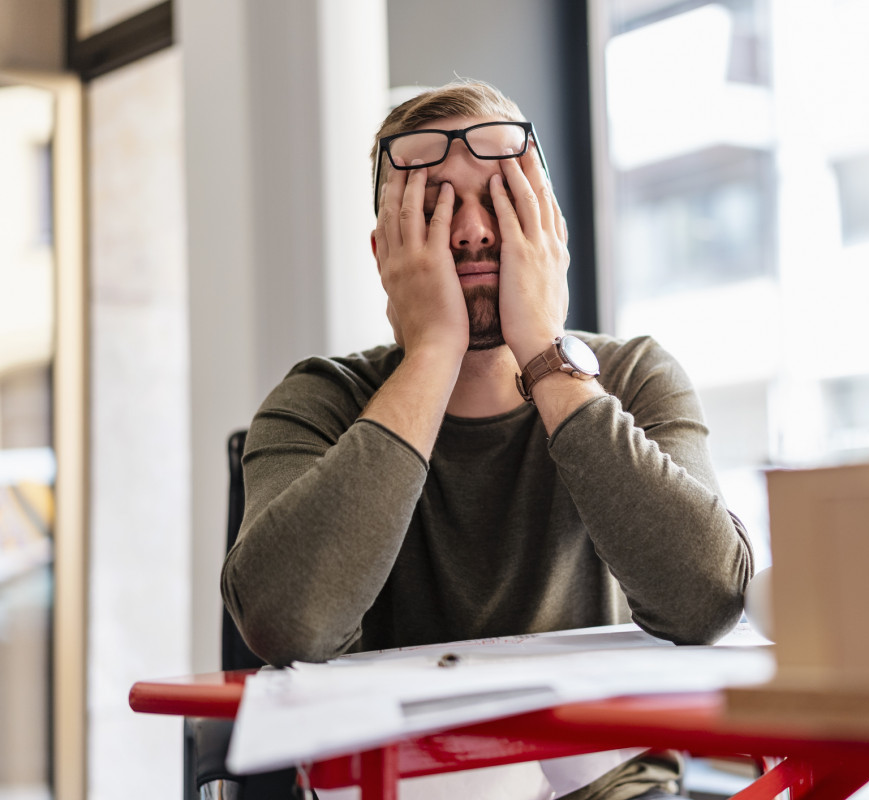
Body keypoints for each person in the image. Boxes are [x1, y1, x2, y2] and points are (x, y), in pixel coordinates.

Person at [221, 80, 753, 800]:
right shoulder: (319, 398)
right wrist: (433, 351)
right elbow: (287, 621)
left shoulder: (632, 376)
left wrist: (544, 352)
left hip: (601, 784)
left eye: (499, 199)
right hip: (397, 781)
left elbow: (707, 599)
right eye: (435, 207)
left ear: (548, 229)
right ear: (386, 251)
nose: (471, 231)